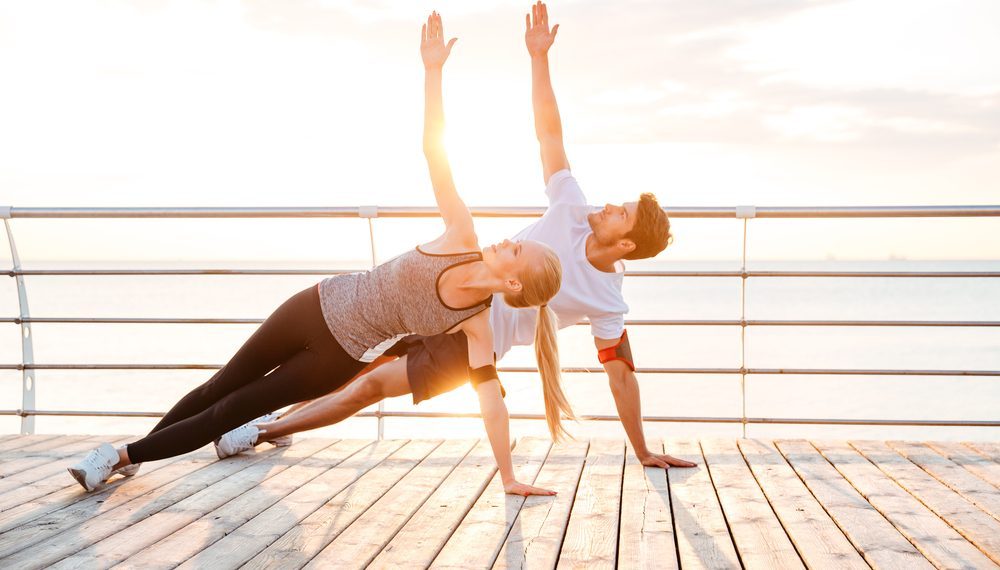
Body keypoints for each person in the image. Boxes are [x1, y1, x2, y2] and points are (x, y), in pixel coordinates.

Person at [66, 11, 568, 497]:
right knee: (220, 384)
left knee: (231, 411)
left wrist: (507, 476)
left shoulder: (477, 325)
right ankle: (137, 453)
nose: (509, 239)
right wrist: (432, 71)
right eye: (517, 239)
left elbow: (491, 404)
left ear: (514, 284)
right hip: (314, 303)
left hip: (336, 357)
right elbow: (434, 152)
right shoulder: (462, 233)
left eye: (517, 250)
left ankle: (119, 456)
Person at [217, 1, 696, 473]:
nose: (609, 206)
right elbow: (550, 134)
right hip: (449, 293)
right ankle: (257, 414)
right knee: (352, 362)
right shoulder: (573, 206)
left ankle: (259, 432)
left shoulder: (608, 300)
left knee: (369, 388)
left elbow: (621, 378)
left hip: (474, 345)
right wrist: (538, 57)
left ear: (626, 244)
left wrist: (643, 451)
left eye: (621, 214)